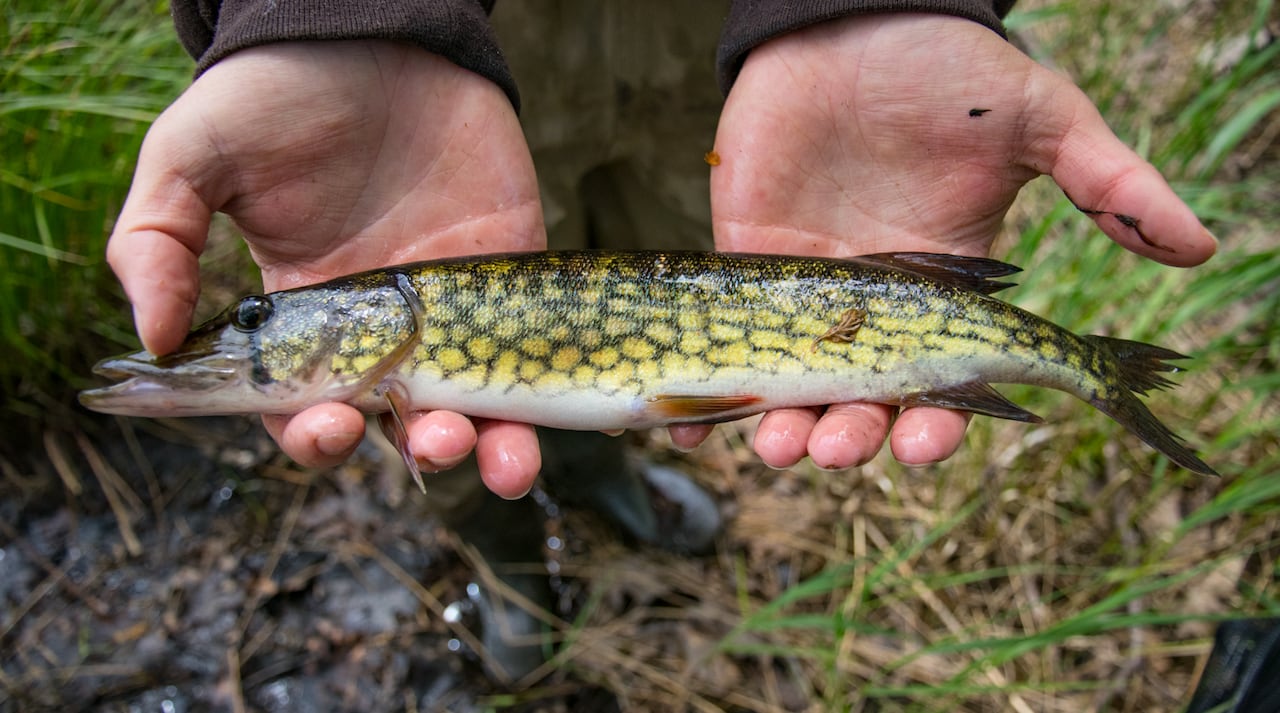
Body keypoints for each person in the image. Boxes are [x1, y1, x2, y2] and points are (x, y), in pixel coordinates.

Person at [105, 0, 1217, 681]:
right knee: (436, 437)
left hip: (734, 63)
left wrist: (870, 1)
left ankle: (611, 484)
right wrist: (325, 13)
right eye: (256, 322)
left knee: (681, 252)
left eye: (257, 320)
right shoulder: (391, 330)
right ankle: (512, 566)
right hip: (453, 52)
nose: (246, 331)